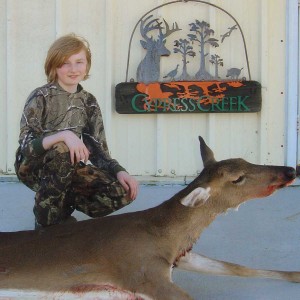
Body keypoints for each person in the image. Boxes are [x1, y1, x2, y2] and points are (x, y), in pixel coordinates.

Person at [15, 33, 139, 228]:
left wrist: (119, 171)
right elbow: (26, 147)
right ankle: (45, 222)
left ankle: (62, 209)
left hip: (67, 167)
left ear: (87, 65)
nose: (73, 69)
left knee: (120, 190)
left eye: (79, 62)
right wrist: (65, 135)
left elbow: (98, 151)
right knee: (62, 149)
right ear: (54, 66)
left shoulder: (88, 102)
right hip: (32, 167)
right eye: (65, 63)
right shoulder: (41, 96)